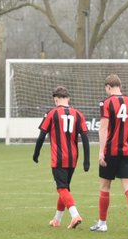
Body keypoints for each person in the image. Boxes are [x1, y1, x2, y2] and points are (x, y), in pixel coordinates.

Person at [33, 86, 90, 229]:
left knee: (62, 188)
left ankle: (75, 215)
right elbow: (85, 138)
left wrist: (36, 153)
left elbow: (41, 136)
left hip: (58, 158)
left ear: (56, 99)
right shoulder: (78, 114)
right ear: (68, 98)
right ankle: (57, 220)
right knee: (65, 188)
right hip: (73, 158)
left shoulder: (52, 113)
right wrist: (86, 160)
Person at [92, 74, 128, 234]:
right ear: (119, 86)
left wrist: (101, 152)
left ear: (108, 87)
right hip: (127, 152)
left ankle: (102, 223)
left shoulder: (106, 103)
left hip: (110, 152)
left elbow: (103, 128)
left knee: (105, 187)